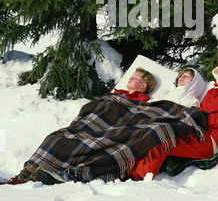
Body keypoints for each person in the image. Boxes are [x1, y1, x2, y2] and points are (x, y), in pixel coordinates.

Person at [4, 67, 157, 185]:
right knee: (54, 138)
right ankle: (25, 175)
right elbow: (93, 107)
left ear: (144, 85)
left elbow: (131, 120)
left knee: (77, 145)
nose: (130, 78)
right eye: (131, 76)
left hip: (106, 131)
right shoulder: (115, 94)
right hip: (88, 125)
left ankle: (59, 174)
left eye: (135, 77)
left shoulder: (142, 103)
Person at [130, 56, 218, 181]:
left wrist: (208, 120)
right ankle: (130, 174)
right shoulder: (212, 92)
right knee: (155, 132)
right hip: (199, 131)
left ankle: (139, 180)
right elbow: (201, 114)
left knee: (163, 138)